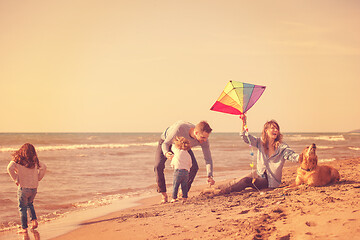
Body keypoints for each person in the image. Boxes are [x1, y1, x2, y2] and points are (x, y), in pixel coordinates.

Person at [206, 115, 298, 195]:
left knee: (246, 181)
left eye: (277, 129)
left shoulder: (282, 147)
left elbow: (291, 155)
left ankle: (223, 192)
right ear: (266, 130)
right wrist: (244, 121)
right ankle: (216, 188)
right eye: (272, 128)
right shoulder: (260, 142)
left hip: (269, 182)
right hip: (259, 173)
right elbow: (246, 138)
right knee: (237, 180)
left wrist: (303, 157)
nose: (275, 130)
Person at [154, 120, 215, 203]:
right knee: (158, 166)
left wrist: (210, 175)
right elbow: (166, 143)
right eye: (203, 137)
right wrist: (166, 153)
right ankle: (163, 194)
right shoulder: (180, 128)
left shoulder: (204, 141)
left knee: (194, 167)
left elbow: (208, 159)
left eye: (207, 137)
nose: (205, 140)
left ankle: (183, 192)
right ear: (196, 133)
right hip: (166, 142)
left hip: (183, 145)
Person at [7, 143, 47, 234]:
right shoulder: (34, 161)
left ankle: (24, 228)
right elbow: (44, 167)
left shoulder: (18, 160)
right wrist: (38, 177)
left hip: (24, 188)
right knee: (30, 204)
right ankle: (34, 221)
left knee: (22, 208)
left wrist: (16, 179)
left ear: (21, 151)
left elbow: (9, 168)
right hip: (34, 188)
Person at [170, 136, 192, 203]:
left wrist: (174, 142)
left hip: (178, 171)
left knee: (175, 185)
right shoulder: (188, 154)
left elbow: (172, 147)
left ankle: (174, 198)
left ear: (178, 145)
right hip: (186, 172)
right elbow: (190, 164)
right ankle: (184, 198)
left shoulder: (177, 151)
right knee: (184, 186)